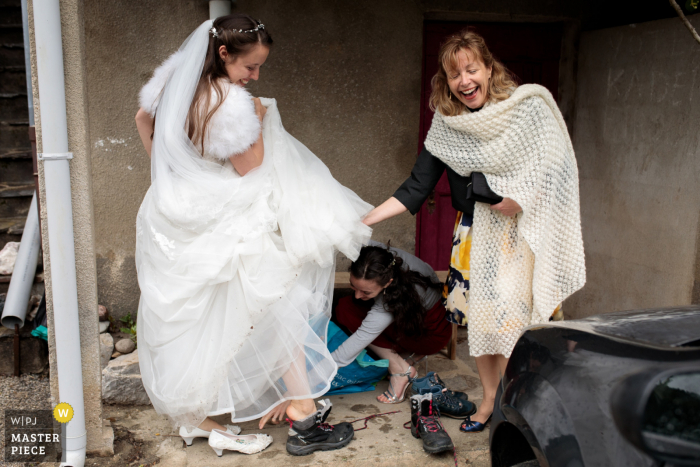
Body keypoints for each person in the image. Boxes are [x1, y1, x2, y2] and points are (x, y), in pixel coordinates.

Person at [133, 14, 371, 457]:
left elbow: (143, 119)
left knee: (204, 319)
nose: (255, 76)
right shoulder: (230, 104)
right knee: (277, 302)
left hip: (176, 215)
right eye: (250, 67)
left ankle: (196, 416)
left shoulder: (173, 87)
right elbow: (251, 166)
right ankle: (302, 415)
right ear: (223, 54)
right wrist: (258, 116)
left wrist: (176, 176)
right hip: (226, 219)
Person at [362, 30, 585, 433]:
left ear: (488, 68)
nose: (464, 81)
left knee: (520, 327)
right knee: (484, 324)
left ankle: (522, 402)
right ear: (444, 82)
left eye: (471, 69)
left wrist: (523, 199)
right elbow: (416, 187)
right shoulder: (447, 128)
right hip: (474, 236)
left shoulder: (526, 109)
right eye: (453, 74)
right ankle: (488, 402)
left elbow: (557, 169)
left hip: (524, 232)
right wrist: (364, 220)